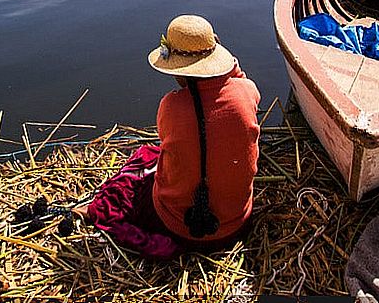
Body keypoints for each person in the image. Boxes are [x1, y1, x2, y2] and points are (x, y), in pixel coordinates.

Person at [78, 14, 261, 258]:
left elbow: (171, 143)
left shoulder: (171, 106)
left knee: (136, 174)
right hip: (237, 224)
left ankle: (88, 211)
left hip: (178, 228)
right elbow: (239, 82)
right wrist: (227, 63)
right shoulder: (246, 92)